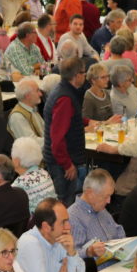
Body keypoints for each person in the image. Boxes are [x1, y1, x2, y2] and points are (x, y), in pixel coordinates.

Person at [42, 58, 89, 204]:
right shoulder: (65, 98)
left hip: (62, 160)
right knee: (64, 203)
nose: (85, 76)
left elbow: (69, 118)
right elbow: (57, 138)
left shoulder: (64, 92)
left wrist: (88, 122)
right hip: (61, 163)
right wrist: (67, 164)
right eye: (83, 73)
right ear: (76, 75)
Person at [17, 198, 85, 272]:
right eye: (63, 222)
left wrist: (72, 253)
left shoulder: (59, 238)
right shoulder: (29, 243)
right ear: (46, 227)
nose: (68, 227)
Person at [67, 169, 123, 263]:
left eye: (110, 196)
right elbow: (70, 256)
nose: (109, 201)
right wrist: (89, 252)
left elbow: (118, 231)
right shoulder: (72, 217)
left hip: (117, 263)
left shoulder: (101, 209)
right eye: (105, 196)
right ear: (90, 193)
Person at [12, 136, 56, 214]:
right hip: (53, 217)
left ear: (16, 161)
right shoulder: (44, 173)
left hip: (36, 223)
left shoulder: (20, 183)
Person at [7, 78, 45, 144]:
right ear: (28, 96)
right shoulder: (17, 116)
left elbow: (44, 131)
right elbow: (32, 143)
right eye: (37, 91)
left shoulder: (33, 109)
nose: (40, 94)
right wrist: (54, 140)